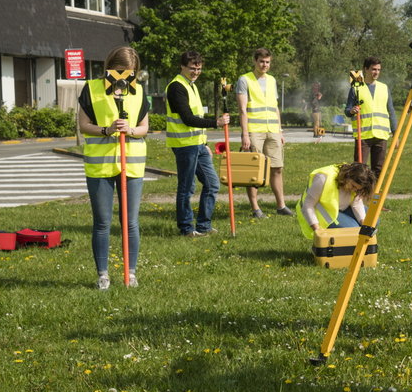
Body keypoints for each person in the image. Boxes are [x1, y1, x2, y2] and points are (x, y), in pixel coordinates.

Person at [77, 46, 150, 290]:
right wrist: (106, 130)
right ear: (109, 67)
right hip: (101, 166)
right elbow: (83, 125)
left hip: (131, 165)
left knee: (130, 222)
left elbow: (143, 128)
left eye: (129, 73)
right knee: (102, 222)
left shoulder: (139, 91)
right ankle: (103, 274)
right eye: (119, 71)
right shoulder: (92, 88)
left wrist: (130, 130)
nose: (123, 77)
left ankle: (130, 273)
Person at [165, 51, 230, 237]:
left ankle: (204, 225)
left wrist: (205, 142)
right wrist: (216, 123)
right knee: (186, 187)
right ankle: (186, 228)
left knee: (212, 184)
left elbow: (196, 117)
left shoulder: (191, 85)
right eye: (192, 68)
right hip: (184, 144)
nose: (196, 71)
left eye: (199, 68)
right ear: (182, 67)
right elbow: (187, 118)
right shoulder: (177, 87)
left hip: (198, 144)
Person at [237, 48, 293, 218]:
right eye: (261, 61)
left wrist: (280, 130)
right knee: (254, 170)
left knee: (277, 168)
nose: (264, 65)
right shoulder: (244, 79)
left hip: (273, 131)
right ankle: (255, 208)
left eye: (267, 62)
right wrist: (245, 134)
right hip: (255, 131)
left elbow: (275, 107)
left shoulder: (272, 80)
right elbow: (242, 109)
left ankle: (281, 205)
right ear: (255, 61)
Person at [344, 57, 396, 177]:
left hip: (381, 135)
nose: (376, 72)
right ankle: (359, 194)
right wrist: (352, 111)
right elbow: (347, 110)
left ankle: (375, 194)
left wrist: (395, 132)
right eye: (373, 69)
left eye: (378, 70)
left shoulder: (384, 88)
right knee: (359, 170)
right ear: (365, 69)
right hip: (363, 136)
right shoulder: (356, 87)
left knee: (379, 170)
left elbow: (391, 111)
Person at [298, 162, 376, 239]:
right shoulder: (323, 178)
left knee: (372, 220)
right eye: (353, 186)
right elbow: (308, 204)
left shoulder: (355, 183)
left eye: (357, 189)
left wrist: (364, 224)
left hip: (340, 209)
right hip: (322, 213)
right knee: (353, 228)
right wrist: (317, 229)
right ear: (348, 176)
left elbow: (356, 203)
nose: (354, 190)